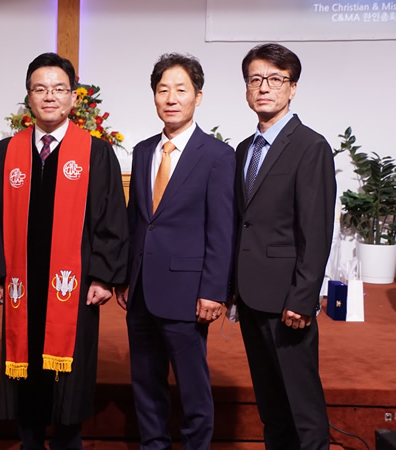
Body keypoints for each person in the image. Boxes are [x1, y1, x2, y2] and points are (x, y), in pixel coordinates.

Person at [0, 52, 128, 450]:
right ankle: (29, 441)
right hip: (21, 285)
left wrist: (102, 276)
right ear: (29, 97)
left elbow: (111, 217)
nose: (49, 96)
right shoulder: (6, 153)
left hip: (73, 286)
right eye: (40, 89)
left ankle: (68, 442)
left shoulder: (95, 152)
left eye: (59, 89)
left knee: (69, 373)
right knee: (25, 367)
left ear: (73, 97)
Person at [115, 53, 235, 449]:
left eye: (181, 90)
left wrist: (214, 291)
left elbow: (221, 229)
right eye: (163, 90)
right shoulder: (143, 151)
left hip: (187, 291)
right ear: (154, 96)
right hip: (141, 290)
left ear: (197, 96)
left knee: (192, 385)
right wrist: (126, 277)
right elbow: (137, 220)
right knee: (145, 382)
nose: (171, 98)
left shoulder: (217, 155)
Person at [233, 43, 335, 448]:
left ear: (292, 88)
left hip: (288, 300)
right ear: (246, 89)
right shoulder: (244, 149)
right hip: (250, 295)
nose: (264, 88)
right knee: (271, 406)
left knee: (302, 407)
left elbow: (316, 229)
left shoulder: (311, 146)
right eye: (255, 79)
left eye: (275, 79)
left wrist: (303, 297)